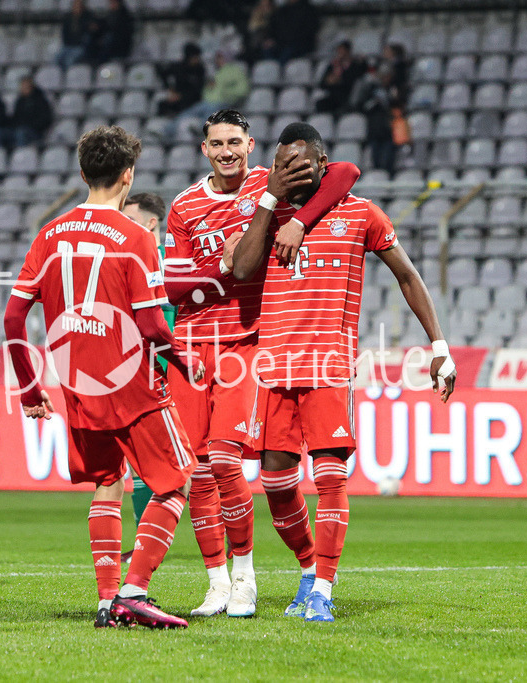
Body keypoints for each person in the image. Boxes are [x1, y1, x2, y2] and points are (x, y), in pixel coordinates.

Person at [232, 123, 456, 622]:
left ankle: (324, 590)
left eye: (300, 162)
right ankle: (310, 567)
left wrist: (439, 345)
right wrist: (270, 202)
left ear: (321, 162)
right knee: (275, 483)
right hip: (274, 368)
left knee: (331, 478)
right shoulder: (266, 215)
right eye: (281, 163)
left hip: (329, 366)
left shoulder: (360, 213)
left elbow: (407, 275)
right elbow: (242, 269)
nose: (291, 170)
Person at [162, 109, 359, 618]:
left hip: (247, 344)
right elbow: (175, 285)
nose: (226, 150)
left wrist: (285, 218)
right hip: (190, 347)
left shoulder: (267, 184)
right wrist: (223, 269)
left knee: (227, 461)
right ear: (203, 149)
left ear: (250, 145)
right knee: (197, 472)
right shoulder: (184, 206)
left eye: (234, 141)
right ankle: (217, 582)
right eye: (216, 143)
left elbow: (343, 174)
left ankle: (246, 577)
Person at [3, 126, 202, 629]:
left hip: (76, 384)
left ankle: (107, 600)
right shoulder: (136, 238)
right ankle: (134, 592)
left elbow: (11, 318)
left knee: (107, 483)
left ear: (83, 173)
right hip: (132, 383)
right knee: (176, 482)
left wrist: (30, 387)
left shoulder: (48, 233)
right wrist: (184, 363)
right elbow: (155, 326)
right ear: (128, 176)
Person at [119, 192, 171, 551]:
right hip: (136, 369)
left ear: (151, 222)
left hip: (174, 370)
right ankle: (142, 541)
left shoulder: (174, 262)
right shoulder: (126, 261)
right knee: (137, 461)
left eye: (130, 218)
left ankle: (232, 535)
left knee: (202, 456)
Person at [350, 63, 401, 175]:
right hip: (375, 128)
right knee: (376, 156)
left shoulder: (393, 89)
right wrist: (375, 102)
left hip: (390, 129)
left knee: (389, 157)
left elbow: (397, 106)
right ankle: (377, 172)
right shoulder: (372, 89)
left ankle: (388, 173)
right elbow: (362, 105)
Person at [314, 40, 367, 115]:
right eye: (339, 51)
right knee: (320, 104)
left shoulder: (354, 65)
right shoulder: (333, 65)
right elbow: (322, 84)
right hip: (333, 97)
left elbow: (353, 80)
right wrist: (329, 81)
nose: (340, 53)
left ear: (348, 51)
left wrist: (338, 81)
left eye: (342, 51)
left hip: (346, 97)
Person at [156, 43, 206, 118]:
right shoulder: (178, 67)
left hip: (191, 99)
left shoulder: (200, 70)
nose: (197, 59)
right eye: (195, 57)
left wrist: (181, 96)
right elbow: (162, 72)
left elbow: (198, 89)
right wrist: (169, 88)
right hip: (177, 97)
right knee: (162, 105)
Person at [86, 0, 134, 65]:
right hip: (108, 43)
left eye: (113, 3)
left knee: (108, 39)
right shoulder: (110, 15)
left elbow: (122, 34)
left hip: (119, 45)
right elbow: (104, 26)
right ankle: (90, 61)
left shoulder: (125, 17)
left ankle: (100, 63)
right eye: (111, 3)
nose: (111, 5)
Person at [11, 76, 53, 147]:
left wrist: (30, 126)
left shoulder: (40, 100)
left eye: (26, 86)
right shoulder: (20, 101)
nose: (23, 88)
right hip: (20, 128)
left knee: (21, 133)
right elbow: (16, 117)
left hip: (35, 131)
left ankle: (21, 154)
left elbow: (45, 119)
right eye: (22, 86)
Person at [56, 0, 97, 69]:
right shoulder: (68, 18)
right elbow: (64, 33)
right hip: (67, 46)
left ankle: (67, 77)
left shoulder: (87, 17)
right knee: (56, 59)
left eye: (79, 6)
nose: (77, 8)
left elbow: (91, 30)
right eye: (75, 5)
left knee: (69, 60)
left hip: (80, 46)